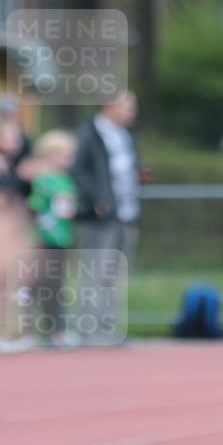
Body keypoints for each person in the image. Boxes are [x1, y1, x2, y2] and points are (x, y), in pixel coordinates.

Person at [72, 90, 141, 344]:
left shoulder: (126, 135)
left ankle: (108, 327)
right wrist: (96, 201)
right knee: (95, 272)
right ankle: (89, 329)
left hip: (126, 213)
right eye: (128, 107)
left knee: (116, 274)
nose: (132, 113)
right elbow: (78, 172)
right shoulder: (88, 135)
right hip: (98, 217)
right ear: (110, 106)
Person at [28, 131, 78, 347]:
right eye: (63, 155)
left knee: (57, 286)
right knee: (38, 285)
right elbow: (35, 207)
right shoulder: (43, 180)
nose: (68, 160)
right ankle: (32, 330)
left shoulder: (65, 179)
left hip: (61, 238)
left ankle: (56, 330)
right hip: (44, 239)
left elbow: (68, 208)